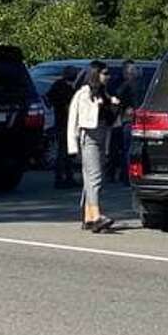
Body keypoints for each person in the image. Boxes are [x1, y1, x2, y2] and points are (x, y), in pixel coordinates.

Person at [68, 63, 123, 232]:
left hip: (102, 136)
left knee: (89, 178)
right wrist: (73, 146)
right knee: (95, 177)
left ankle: (89, 217)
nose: (108, 76)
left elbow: (112, 121)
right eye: (104, 73)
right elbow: (73, 120)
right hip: (89, 137)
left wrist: (114, 106)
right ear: (96, 74)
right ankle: (97, 216)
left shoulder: (106, 94)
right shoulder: (83, 94)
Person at [46, 67, 81, 189]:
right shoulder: (66, 88)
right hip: (65, 122)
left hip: (62, 121)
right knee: (64, 151)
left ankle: (65, 177)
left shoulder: (58, 85)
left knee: (65, 151)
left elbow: (48, 99)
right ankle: (62, 178)